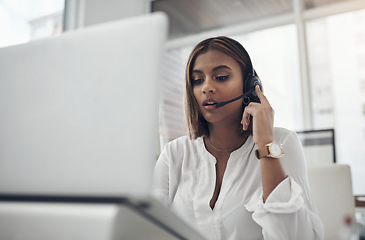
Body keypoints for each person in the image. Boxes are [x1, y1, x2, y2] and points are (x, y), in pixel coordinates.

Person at [153, 36, 324, 240]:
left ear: (250, 85)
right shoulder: (174, 154)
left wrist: (265, 145)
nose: (207, 87)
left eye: (221, 77)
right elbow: (150, 230)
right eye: (198, 80)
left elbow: (296, 237)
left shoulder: (282, 141)